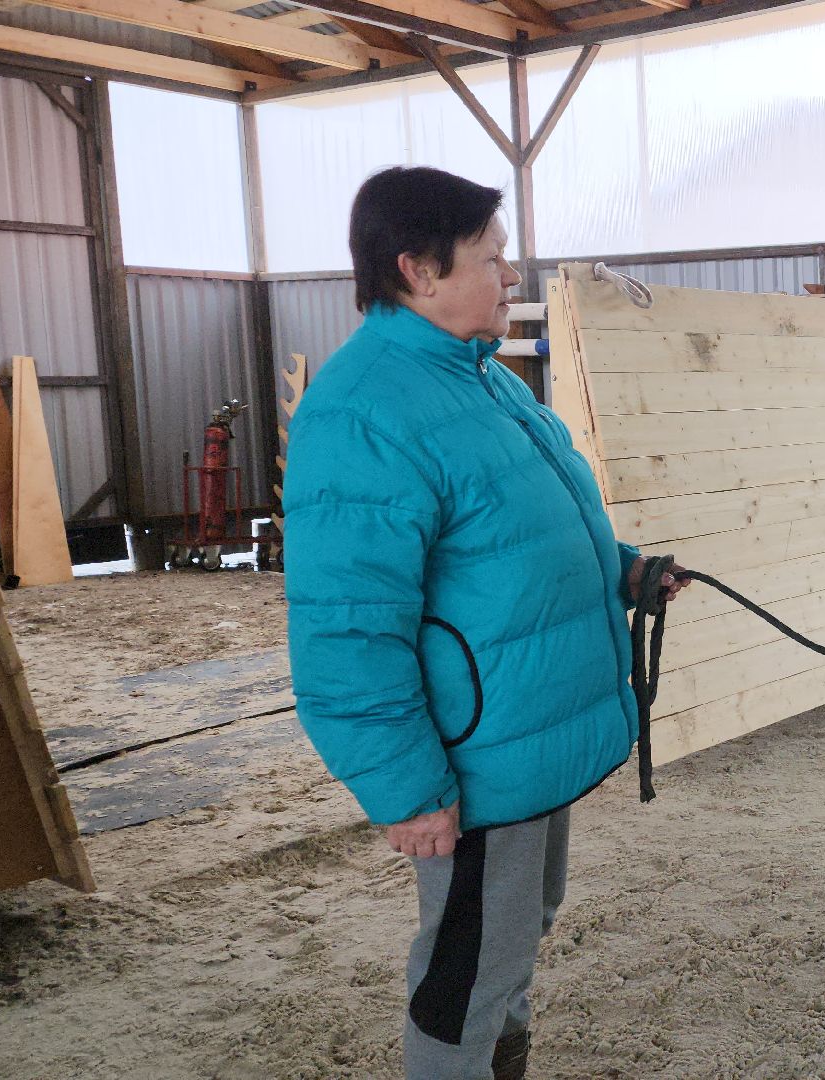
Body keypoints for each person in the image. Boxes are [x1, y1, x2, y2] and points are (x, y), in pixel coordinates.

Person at [283, 165, 686, 1080]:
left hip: (520, 733)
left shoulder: (481, 380)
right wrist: (409, 789)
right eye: (494, 257)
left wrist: (626, 572)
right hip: (472, 754)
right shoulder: (362, 413)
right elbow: (346, 636)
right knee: (469, 966)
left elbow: (521, 532)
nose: (513, 276)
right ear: (417, 270)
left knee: (514, 937)